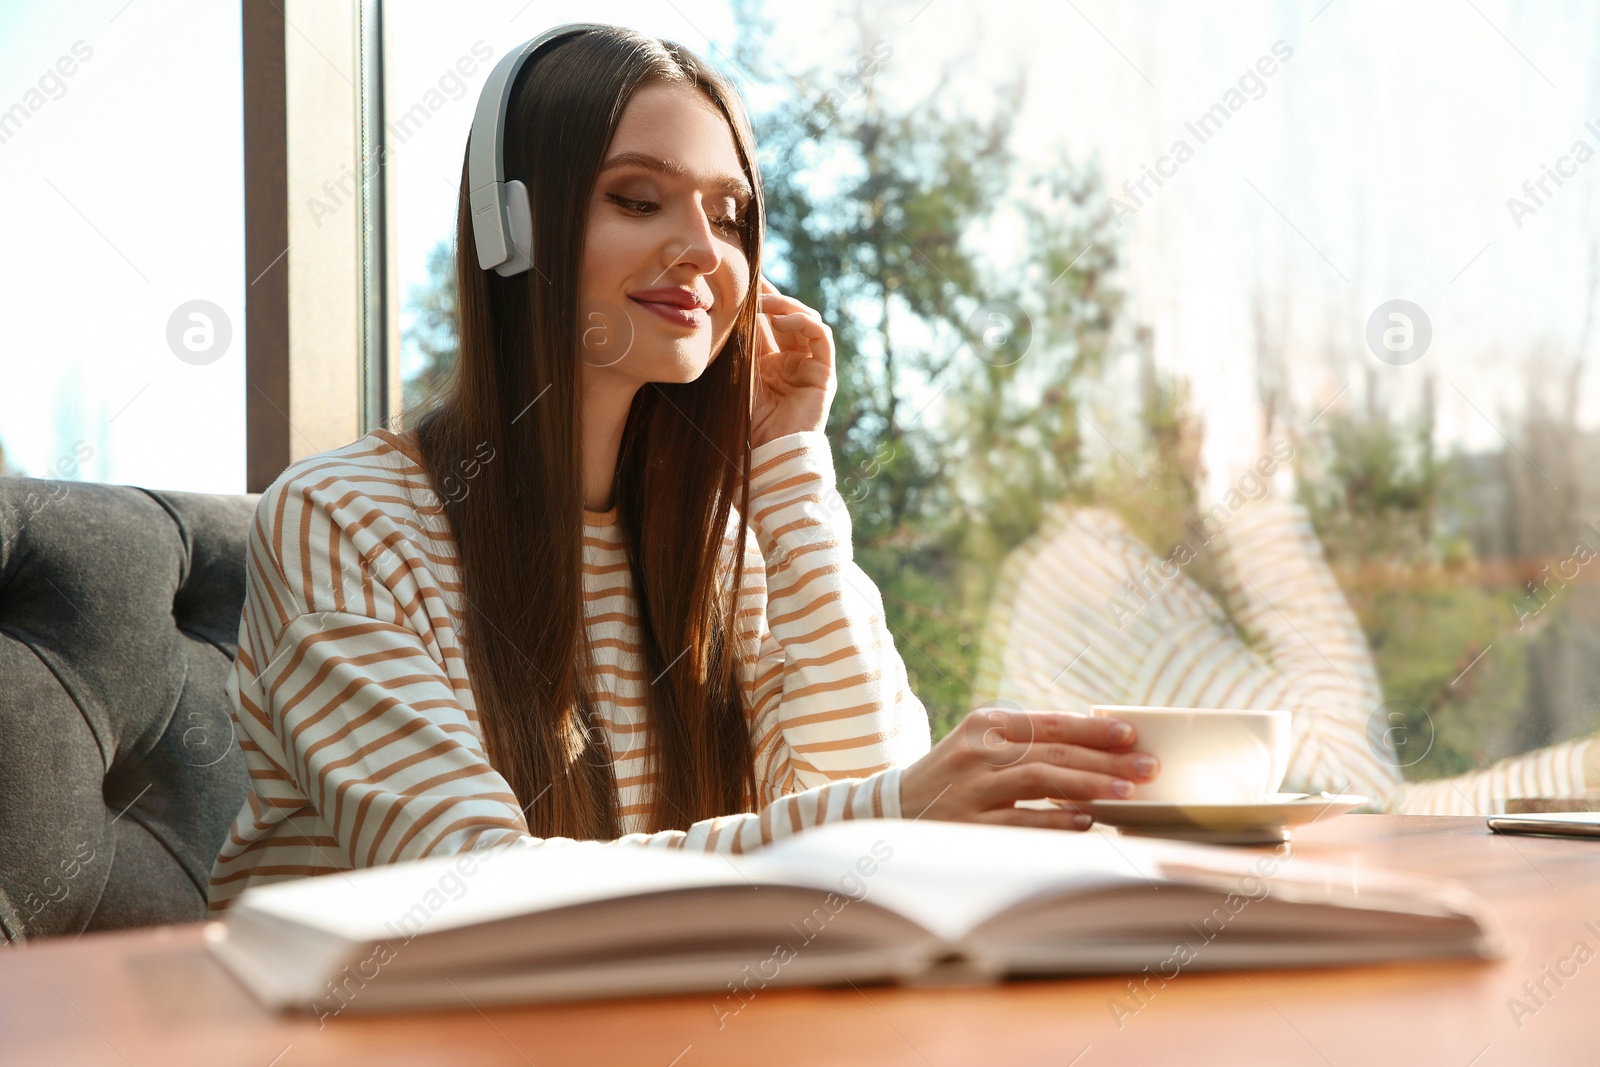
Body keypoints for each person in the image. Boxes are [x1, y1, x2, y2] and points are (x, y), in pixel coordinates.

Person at [207, 25, 1157, 912]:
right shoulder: (343, 521)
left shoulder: (721, 552)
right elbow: (469, 893)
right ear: (512, 230)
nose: (704, 249)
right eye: (636, 198)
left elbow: (876, 816)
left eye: (732, 214)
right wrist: (894, 808)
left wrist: (787, 461)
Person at [975, 419, 1600, 815]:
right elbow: (1360, 793)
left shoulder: (1113, 568)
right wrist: (1259, 509)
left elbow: (1370, 804)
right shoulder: (1104, 583)